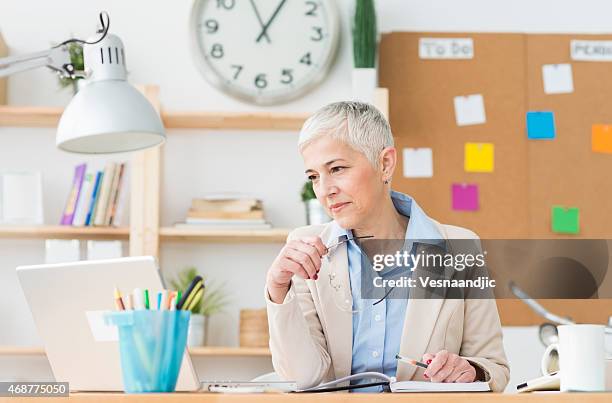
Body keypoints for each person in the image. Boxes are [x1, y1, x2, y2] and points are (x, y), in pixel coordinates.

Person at [264, 101, 509, 392]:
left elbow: (494, 368)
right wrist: (278, 290)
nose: (325, 190)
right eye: (314, 177)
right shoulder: (305, 249)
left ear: (385, 163)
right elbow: (302, 377)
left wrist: (470, 371)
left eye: (338, 168)